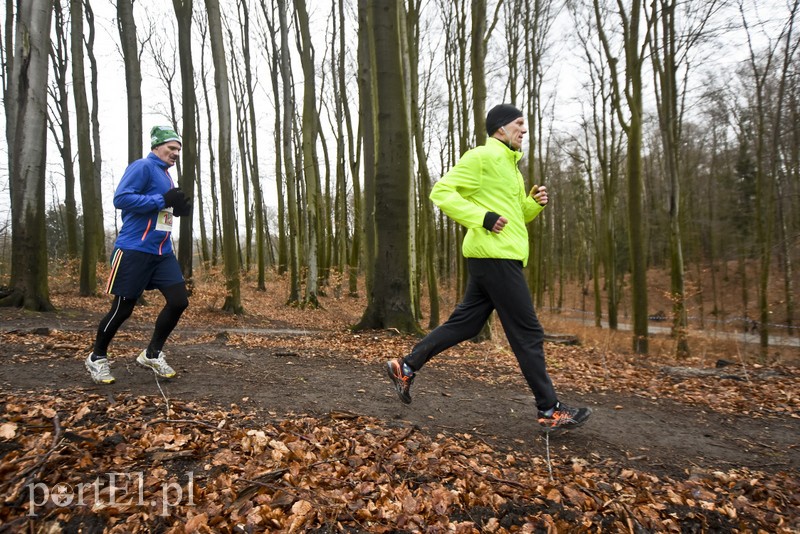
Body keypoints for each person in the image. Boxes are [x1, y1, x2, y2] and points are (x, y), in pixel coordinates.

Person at [386, 104, 592, 430]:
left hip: (494, 255)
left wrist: (532, 204)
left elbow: (514, 217)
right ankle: (549, 409)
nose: (524, 129)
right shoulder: (482, 156)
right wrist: (482, 218)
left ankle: (406, 367)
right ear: (500, 128)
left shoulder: (511, 167)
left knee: (466, 325)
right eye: (519, 123)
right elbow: (441, 192)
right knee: (527, 332)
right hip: (496, 257)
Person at [85, 126, 192, 385]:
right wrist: (161, 200)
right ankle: (97, 358)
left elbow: (158, 210)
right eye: (171, 148)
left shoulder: (166, 176)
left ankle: (152, 354)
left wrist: (175, 210)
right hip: (134, 249)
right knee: (123, 309)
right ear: (156, 147)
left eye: (178, 149)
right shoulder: (142, 166)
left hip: (162, 252)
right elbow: (121, 199)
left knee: (179, 301)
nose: (176, 153)